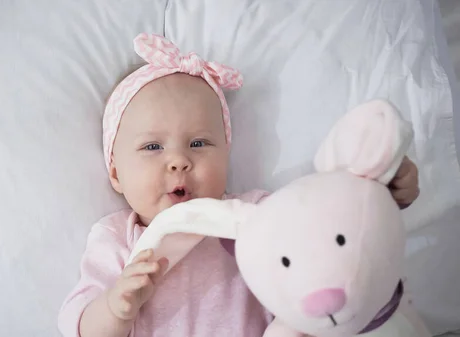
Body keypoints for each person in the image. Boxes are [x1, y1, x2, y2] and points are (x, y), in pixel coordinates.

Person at [58, 33, 420, 337]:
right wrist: (115, 307)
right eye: (153, 147)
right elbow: (77, 323)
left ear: (227, 154)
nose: (179, 160)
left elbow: (327, 227)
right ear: (116, 173)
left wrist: (381, 188)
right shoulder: (118, 238)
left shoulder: (255, 214)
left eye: (199, 143)